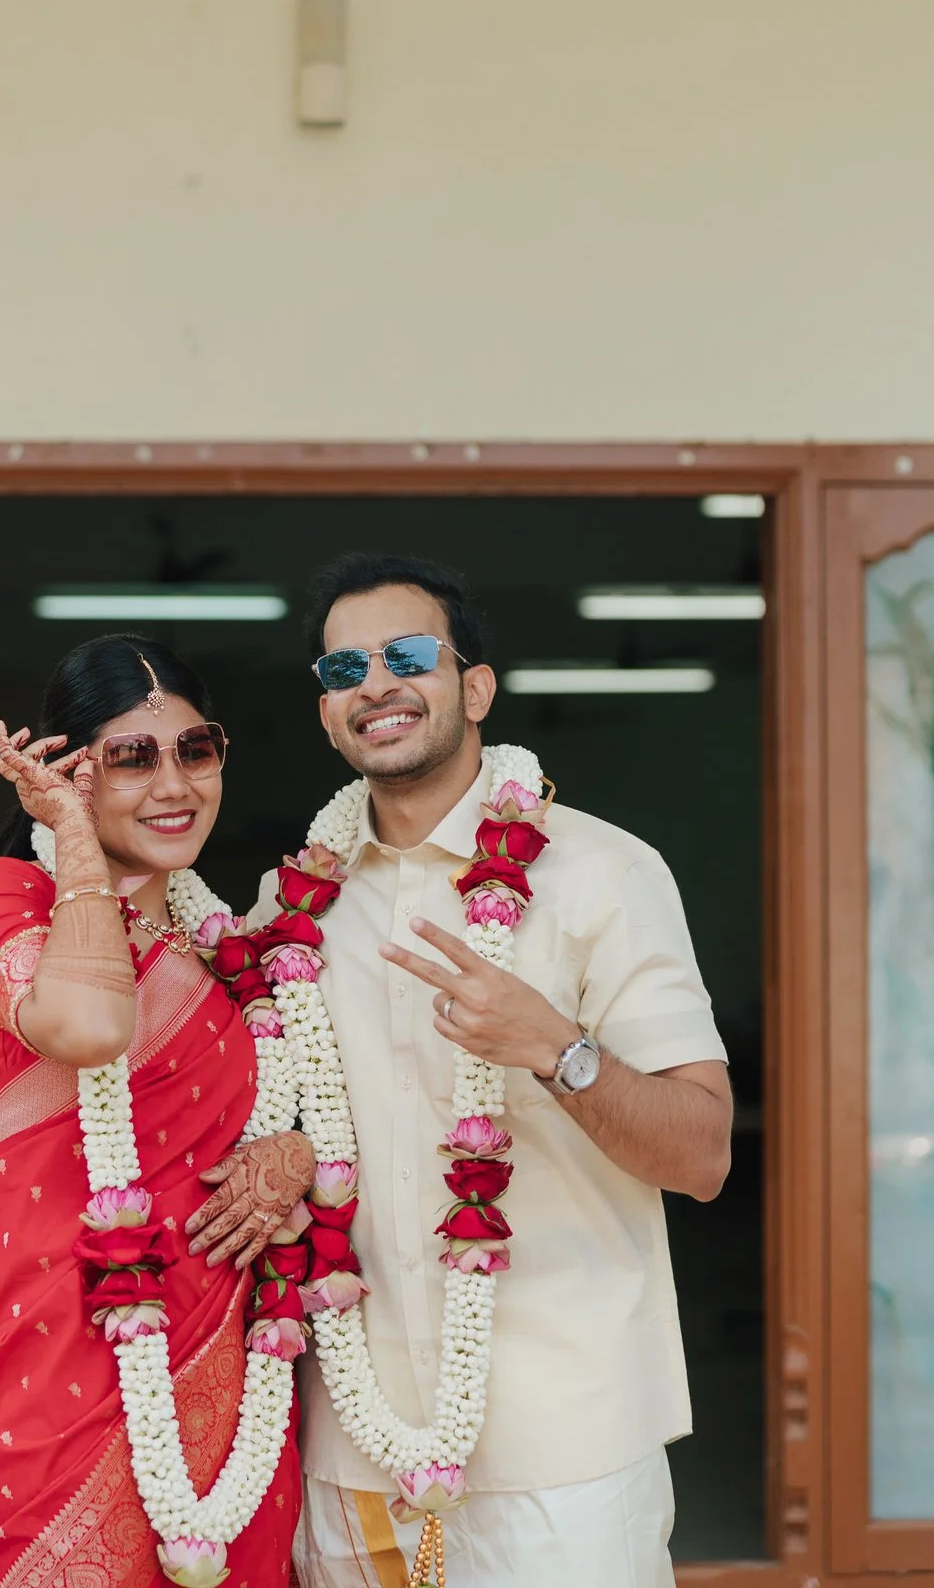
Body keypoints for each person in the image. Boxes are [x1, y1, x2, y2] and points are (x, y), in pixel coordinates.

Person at [255, 553, 732, 1588]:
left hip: (563, 1447)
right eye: (343, 666)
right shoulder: (288, 907)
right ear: (328, 711)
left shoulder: (601, 873)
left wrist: (556, 1048)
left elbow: (701, 1152)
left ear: (474, 687)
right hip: (355, 1449)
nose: (374, 682)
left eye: (407, 654)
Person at [0, 634, 310, 1588]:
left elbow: (291, 1115)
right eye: (132, 756)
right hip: (61, 1360)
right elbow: (86, 1023)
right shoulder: (5, 901)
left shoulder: (228, 948)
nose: (173, 783)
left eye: (194, 750)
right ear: (70, 771)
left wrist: (288, 1155)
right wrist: (76, 841)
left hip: (230, 1376)